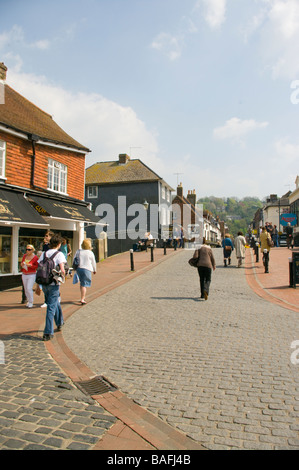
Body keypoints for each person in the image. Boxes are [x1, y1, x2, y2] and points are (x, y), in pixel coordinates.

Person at [38, 233, 65, 341]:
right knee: (51, 307)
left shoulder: (44, 254)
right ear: (58, 244)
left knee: (55, 302)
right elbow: (62, 270)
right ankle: (48, 332)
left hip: (44, 283)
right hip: (53, 283)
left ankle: (60, 322)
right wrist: (63, 276)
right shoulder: (59, 254)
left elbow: (39, 267)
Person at [73, 238, 96, 305]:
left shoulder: (78, 251)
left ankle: (82, 296)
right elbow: (93, 262)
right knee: (84, 284)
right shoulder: (90, 253)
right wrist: (94, 270)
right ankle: (82, 298)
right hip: (87, 269)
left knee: (82, 283)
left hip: (79, 269)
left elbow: (74, 259)